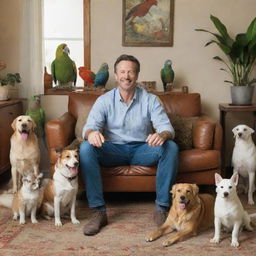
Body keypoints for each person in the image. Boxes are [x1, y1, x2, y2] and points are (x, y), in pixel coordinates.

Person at [80, 54, 179, 236]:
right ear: (116, 76)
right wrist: (91, 133)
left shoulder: (150, 99)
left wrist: (162, 135)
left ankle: (162, 208)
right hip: (113, 149)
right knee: (86, 148)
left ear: (137, 75)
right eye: (122, 72)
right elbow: (89, 127)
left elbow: (167, 128)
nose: (126, 76)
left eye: (131, 72)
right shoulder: (104, 100)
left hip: (143, 149)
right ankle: (98, 212)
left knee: (170, 147)